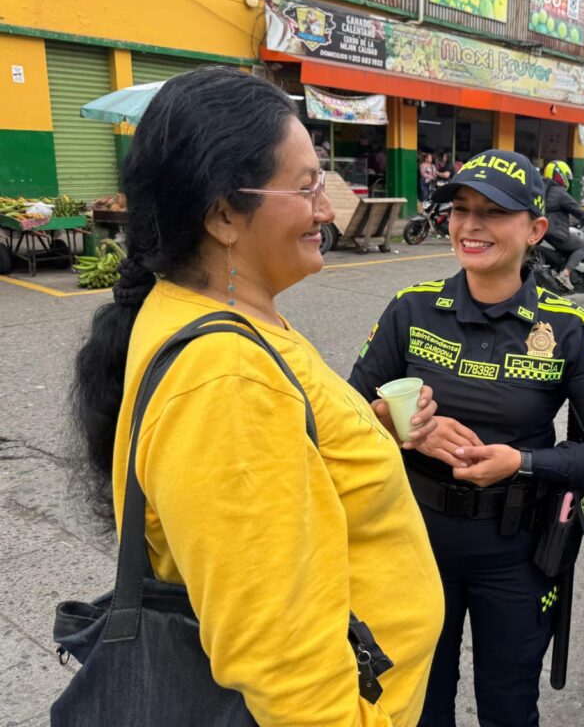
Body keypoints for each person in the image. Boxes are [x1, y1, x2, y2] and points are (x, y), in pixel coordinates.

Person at [68, 67, 444, 726]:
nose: (328, 210)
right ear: (221, 214)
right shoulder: (227, 379)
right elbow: (290, 677)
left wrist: (368, 439)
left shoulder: (227, 316)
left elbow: (281, 467)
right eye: (305, 189)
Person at [349, 149, 584, 727]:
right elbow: (342, 419)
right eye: (461, 209)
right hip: (413, 542)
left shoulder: (569, 328)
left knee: (508, 707)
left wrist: (523, 463)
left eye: (493, 212)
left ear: (535, 229)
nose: (471, 226)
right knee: (417, 704)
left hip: (516, 553)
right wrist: (389, 421)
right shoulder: (410, 310)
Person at [541, 160, 584, 291]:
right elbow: (579, 213)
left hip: (539, 233)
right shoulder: (560, 194)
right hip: (554, 233)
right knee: (581, 246)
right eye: (566, 177)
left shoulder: (539, 189)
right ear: (560, 175)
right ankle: (565, 274)